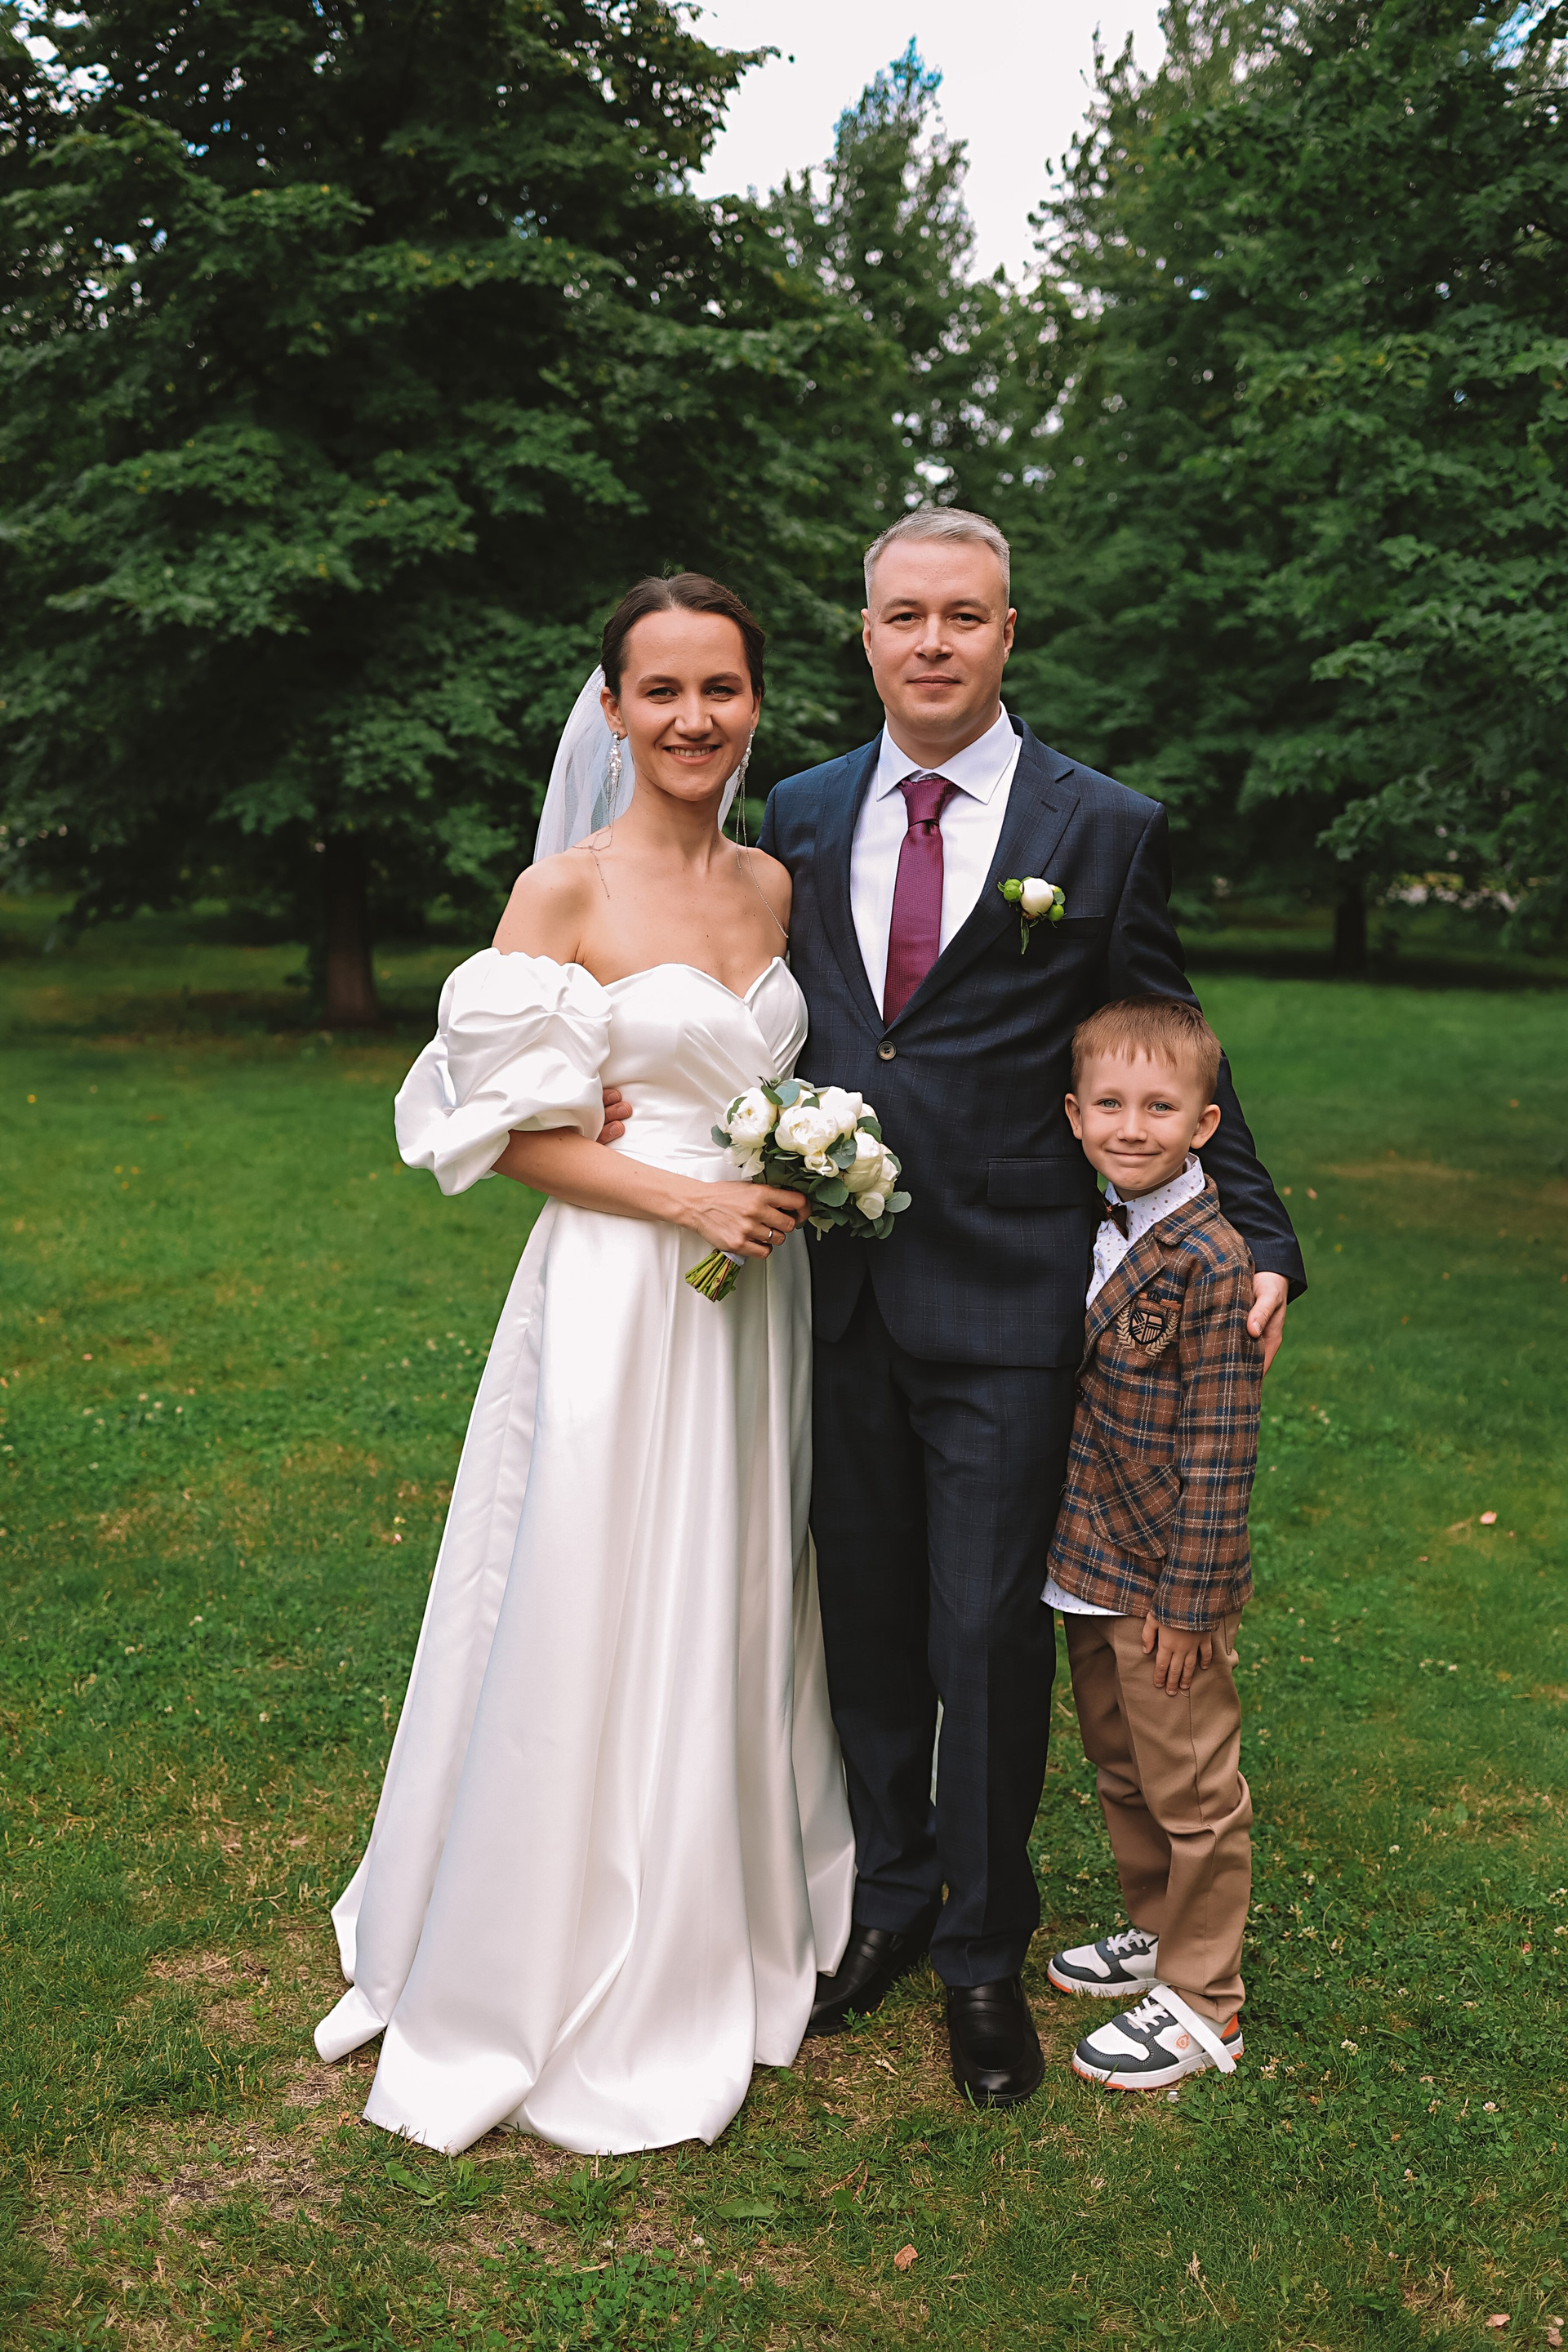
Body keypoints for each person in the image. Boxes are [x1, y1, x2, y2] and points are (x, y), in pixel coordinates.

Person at [756, 507, 1303, 2109]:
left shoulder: (1102, 825)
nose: (932, 641)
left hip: (1009, 1299)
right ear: (865, 633)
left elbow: (1168, 1035)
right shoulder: (798, 812)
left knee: (986, 1639)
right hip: (835, 1293)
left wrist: (1264, 1229)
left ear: (1009, 632)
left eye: (965, 615)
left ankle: (983, 1955)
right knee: (866, 1627)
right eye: (904, 614)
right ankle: (891, 1893)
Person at [314, 573, 855, 2157]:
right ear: (610, 709)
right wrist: (690, 1197)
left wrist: (790, 1169)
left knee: (738, 1575)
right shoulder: (559, 896)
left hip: (757, 1299)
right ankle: (548, 1931)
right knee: (591, 1572)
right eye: (661, 691)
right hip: (627, 1290)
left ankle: (729, 1887)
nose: (694, 719)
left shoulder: (774, 884)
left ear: (756, 704)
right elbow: (510, 1142)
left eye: (721, 688)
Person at [1040, 996, 1259, 2092]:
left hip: (1163, 1581)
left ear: (1203, 1123)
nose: (1133, 1126)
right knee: (1122, 1767)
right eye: (1112, 1104)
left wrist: (1191, 1602)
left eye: (1160, 1107)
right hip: (1086, 1561)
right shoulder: (1093, 1224)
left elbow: (1220, 1447)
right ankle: (1159, 1931)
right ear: (1075, 1114)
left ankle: (1207, 2001)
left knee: (1193, 1790)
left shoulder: (1210, 1259)